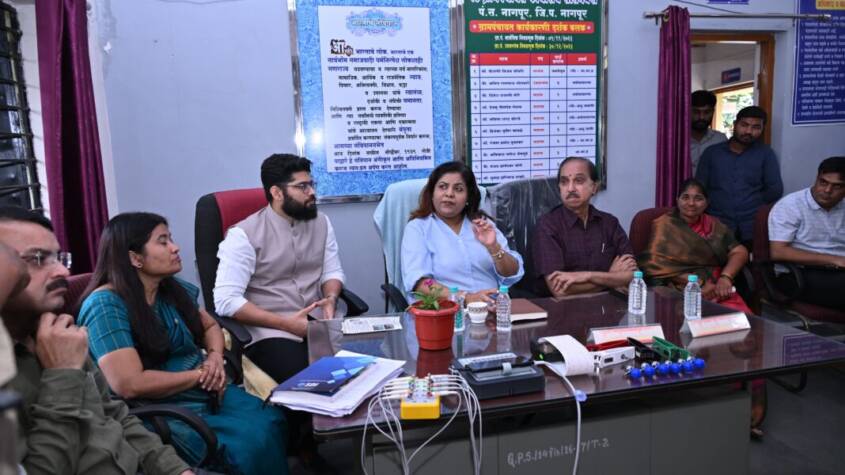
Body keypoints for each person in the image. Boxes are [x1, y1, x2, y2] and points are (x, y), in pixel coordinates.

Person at [77, 212, 288, 475]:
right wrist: (201, 376)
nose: (175, 247)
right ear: (135, 258)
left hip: (204, 389)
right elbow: (129, 384)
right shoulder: (105, 306)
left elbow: (210, 326)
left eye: (171, 239)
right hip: (159, 409)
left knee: (271, 418)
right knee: (244, 447)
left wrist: (214, 358)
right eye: (163, 241)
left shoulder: (168, 288)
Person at [0, 206, 193, 475]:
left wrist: (176, 470)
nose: (62, 271)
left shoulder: (62, 334)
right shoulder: (12, 366)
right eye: (38, 258)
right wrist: (62, 374)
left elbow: (117, 415)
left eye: (58, 258)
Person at [214, 153, 345, 384]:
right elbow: (226, 300)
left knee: (359, 371)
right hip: (270, 330)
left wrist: (331, 299)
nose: (312, 192)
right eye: (302, 187)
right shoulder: (243, 235)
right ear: (276, 193)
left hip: (319, 322)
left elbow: (331, 272)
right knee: (312, 384)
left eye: (311, 184)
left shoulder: (321, 222)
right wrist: (286, 324)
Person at [401, 161, 524, 304]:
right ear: (432, 193)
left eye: (458, 189)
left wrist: (494, 247)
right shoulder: (418, 228)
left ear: (468, 197)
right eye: (442, 187)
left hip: (492, 308)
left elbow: (511, 273)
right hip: (446, 310)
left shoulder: (483, 224)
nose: (449, 194)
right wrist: (466, 298)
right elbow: (420, 284)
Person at [637, 178, 753, 314]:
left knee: (741, 321)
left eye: (698, 198)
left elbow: (739, 251)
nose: (691, 203)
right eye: (685, 197)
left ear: (707, 203)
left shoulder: (714, 225)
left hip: (718, 288)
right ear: (677, 200)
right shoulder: (664, 225)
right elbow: (653, 266)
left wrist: (726, 277)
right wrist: (698, 283)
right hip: (680, 289)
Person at [532, 157, 637, 296]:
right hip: (561, 308)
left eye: (579, 181)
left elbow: (633, 275)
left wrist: (587, 276)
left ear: (594, 187)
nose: (570, 188)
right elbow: (560, 290)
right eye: (564, 182)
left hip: (607, 305)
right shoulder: (547, 226)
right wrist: (611, 278)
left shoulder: (609, 223)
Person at [696, 105, 783, 245]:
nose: (749, 131)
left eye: (756, 127)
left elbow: (775, 189)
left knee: (750, 258)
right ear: (735, 124)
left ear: (762, 129)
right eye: (744, 125)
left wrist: (751, 203)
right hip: (715, 224)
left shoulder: (766, 154)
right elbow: (700, 187)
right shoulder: (712, 153)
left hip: (751, 226)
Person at [768, 156, 845, 310]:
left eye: (837, 186)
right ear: (817, 178)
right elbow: (778, 252)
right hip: (799, 274)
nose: (827, 191)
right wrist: (835, 260)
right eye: (823, 182)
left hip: (838, 272)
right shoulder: (791, 205)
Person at [690, 90, 727, 172]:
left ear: (713, 112)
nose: (701, 117)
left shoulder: (720, 139)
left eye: (707, 112)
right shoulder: (676, 141)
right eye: (696, 112)